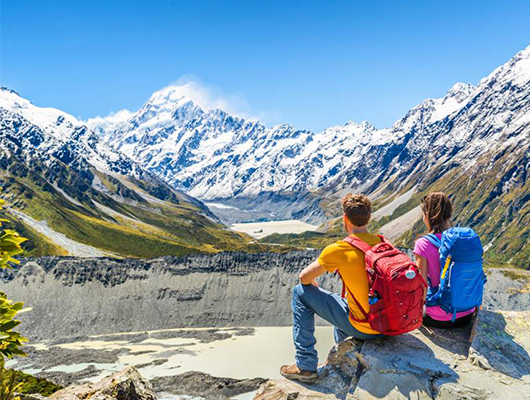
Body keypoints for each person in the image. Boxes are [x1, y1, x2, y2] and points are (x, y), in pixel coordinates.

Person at [280, 194, 381, 384]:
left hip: (365, 327)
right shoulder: (384, 244)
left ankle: (305, 365)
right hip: (389, 325)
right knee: (342, 300)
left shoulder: (340, 249)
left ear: (345, 218)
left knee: (299, 293)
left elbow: (304, 278)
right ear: (369, 218)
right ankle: (341, 352)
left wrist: (312, 284)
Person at [413, 192, 475, 328]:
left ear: (427, 215)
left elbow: (420, 285)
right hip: (467, 314)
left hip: (439, 317)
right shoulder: (463, 239)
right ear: (449, 214)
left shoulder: (423, 244)